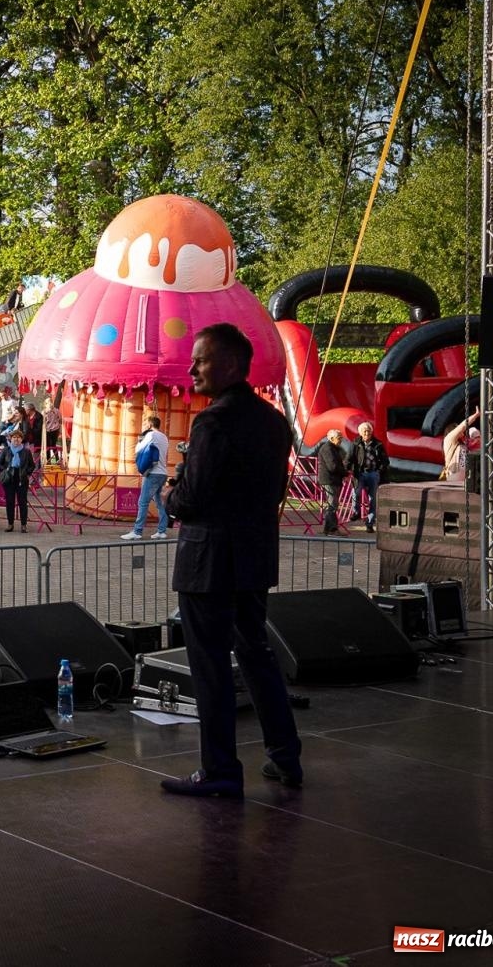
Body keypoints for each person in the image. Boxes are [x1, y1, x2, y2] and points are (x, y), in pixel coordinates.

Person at [160, 322, 302, 797]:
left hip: (208, 564)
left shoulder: (212, 422)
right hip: (254, 557)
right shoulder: (273, 422)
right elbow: (274, 491)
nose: (191, 368)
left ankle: (220, 770)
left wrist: (171, 493)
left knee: (211, 667)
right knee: (257, 654)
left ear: (230, 366)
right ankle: (286, 756)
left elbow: (192, 498)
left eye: (200, 360)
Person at [122, 415, 171, 540]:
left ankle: (137, 532)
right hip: (163, 472)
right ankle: (161, 531)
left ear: (149, 425)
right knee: (160, 503)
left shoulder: (150, 435)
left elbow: (138, 449)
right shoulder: (164, 437)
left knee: (143, 502)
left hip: (152, 473)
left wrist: (141, 439)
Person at [349, 421, 388, 532]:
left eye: (369, 431)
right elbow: (349, 457)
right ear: (360, 433)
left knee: (372, 499)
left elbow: (385, 461)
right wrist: (347, 470)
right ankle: (356, 512)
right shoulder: (355, 443)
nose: (367, 433)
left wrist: (379, 471)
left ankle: (370, 523)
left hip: (373, 473)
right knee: (355, 493)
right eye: (364, 431)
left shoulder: (378, 444)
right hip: (360, 473)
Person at [0, 429, 36, 533]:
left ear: (21, 439)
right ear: (10, 439)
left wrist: (27, 473)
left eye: (18, 437)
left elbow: (32, 465)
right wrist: (5, 470)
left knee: (22, 502)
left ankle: (23, 525)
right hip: (9, 479)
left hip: (21, 479)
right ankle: (10, 524)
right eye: (14, 437)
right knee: (10, 502)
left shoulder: (26, 451)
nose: (16, 439)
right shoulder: (6, 450)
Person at [315, 428, 349, 535]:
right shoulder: (328, 449)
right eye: (339, 438)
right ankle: (333, 529)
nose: (341, 440)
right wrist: (345, 472)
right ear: (331, 438)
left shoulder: (333, 448)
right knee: (332, 505)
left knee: (332, 504)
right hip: (329, 480)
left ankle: (328, 529)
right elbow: (332, 466)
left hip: (332, 479)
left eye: (341, 438)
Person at [442, 409, 479, 483]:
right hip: (455, 477)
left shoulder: (464, 444)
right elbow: (462, 426)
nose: (462, 431)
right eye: (456, 428)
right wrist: (475, 416)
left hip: (466, 479)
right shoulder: (448, 440)